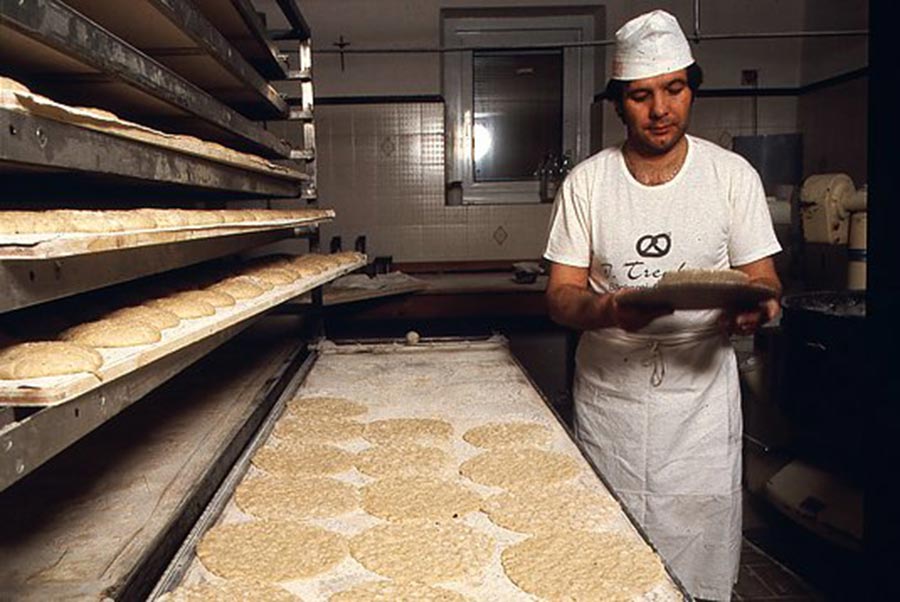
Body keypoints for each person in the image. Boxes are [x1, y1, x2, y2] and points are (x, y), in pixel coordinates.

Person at [543, 9, 782, 601]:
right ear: (619, 103)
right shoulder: (589, 183)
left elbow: (766, 284)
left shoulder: (731, 177)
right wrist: (608, 311)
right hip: (611, 399)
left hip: (700, 406)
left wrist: (757, 311)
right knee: (611, 557)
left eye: (674, 89)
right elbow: (560, 298)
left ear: (690, 88)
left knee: (696, 558)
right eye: (641, 96)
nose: (660, 110)